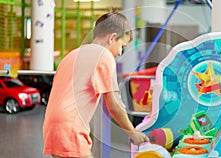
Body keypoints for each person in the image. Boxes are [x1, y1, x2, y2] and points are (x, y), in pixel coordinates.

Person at [43, 12, 150, 158]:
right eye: (122, 46)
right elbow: (114, 105)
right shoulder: (104, 56)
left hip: (52, 127)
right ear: (112, 38)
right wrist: (133, 132)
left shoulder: (73, 54)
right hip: (71, 128)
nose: (120, 53)